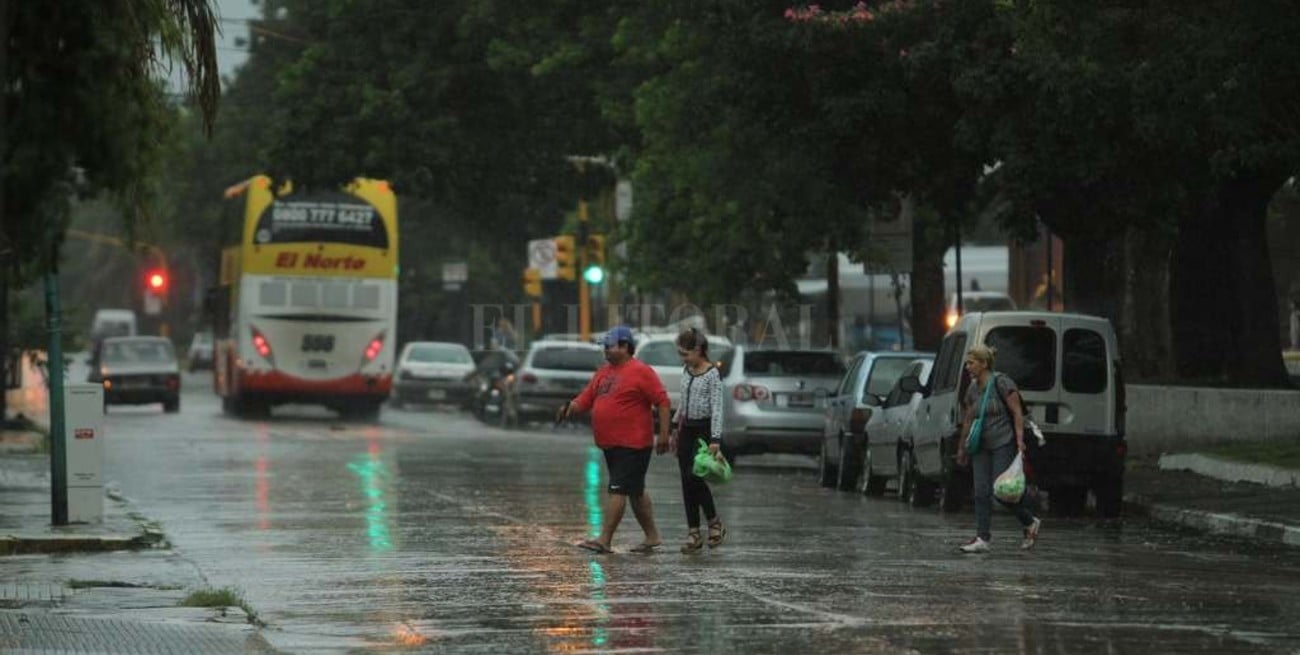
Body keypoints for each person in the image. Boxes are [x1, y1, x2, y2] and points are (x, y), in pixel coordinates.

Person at [557, 325, 671, 554]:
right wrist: (570, 407)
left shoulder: (641, 371)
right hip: (611, 443)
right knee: (636, 492)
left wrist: (664, 435)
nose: (605, 351)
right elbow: (586, 398)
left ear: (625, 346)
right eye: (605, 347)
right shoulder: (604, 372)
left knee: (617, 489)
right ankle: (652, 536)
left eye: (609, 347)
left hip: (634, 444)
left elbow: (662, 402)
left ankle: (605, 539)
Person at [956, 345, 1041, 553]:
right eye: (967, 363)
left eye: (971, 362)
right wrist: (962, 448)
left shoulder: (1002, 382)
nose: (968, 367)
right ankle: (982, 538)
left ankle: (1030, 521)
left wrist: (1020, 440)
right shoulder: (972, 389)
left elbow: (1017, 412)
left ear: (984, 364)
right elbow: (967, 420)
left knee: (1002, 491)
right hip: (980, 446)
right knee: (981, 492)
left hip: (1003, 442)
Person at [671, 328, 727, 553]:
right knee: (686, 482)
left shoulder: (712, 374)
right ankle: (693, 532)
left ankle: (714, 522)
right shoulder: (686, 371)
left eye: (685, 354)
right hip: (687, 430)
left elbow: (717, 407)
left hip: (704, 431)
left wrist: (715, 439)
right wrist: (674, 427)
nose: (682, 359)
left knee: (694, 475)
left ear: (698, 350)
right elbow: (683, 403)